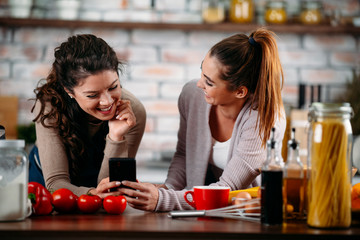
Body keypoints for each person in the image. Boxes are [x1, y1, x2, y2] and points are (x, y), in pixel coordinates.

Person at [118, 28, 286, 211]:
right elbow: (184, 154)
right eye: (202, 73)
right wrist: (168, 188)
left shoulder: (264, 120)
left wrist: (163, 199)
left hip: (246, 213)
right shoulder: (192, 95)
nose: (199, 84)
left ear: (240, 92)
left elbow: (227, 189)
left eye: (209, 82)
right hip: (201, 208)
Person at [30, 34, 146, 198]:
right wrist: (95, 194)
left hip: (96, 187)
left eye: (113, 87)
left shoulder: (133, 112)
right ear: (69, 91)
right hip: (48, 187)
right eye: (92, 95)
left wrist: (116, 137)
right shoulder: (50, 105)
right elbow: (56, 183)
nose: (107, 102)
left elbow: (112, 188)